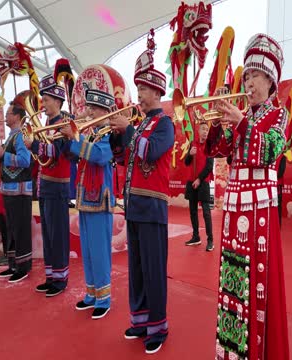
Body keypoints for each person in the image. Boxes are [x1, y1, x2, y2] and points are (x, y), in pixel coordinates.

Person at [206, 33, 289, 360]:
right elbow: (218, 151)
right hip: (234, 209)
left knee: (257, 280)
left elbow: (271, 150)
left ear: (270, 80)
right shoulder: (243, 115)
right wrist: (215, 124)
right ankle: (233, 351)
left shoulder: (277, 116)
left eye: (254, 75)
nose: (248, 82)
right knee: (234, 281)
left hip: (259, 214)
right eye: (245, 76)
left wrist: (241, 123)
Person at [109, 43, 174, 354]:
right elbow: (124, 158)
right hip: (134, 206)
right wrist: (116, 135)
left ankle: (158, 326)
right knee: (136, 267)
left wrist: (129, 129)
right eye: (137, 88)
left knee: (153, 268)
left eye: (143, 88)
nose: (139, 94)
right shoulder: (141, 123)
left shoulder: (165, 124)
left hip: (153, 206)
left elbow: (150, 150)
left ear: (156, 92)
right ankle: (141, 319)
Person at [60, 89, 116, 319]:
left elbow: (100, 156)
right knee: (89, 251)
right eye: (89, 108)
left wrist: (75, 138)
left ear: (104, 111)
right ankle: (92, 292)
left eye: (93, 109)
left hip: (100, 200)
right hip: (85, 199)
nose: (88, 112)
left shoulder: (110, 134)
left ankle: (104, 297)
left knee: (100, 251)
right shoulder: (92, 133)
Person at [24, 75, 71, 296]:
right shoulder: (47, 124)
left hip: (58, 187)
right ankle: (51, 276)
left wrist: (33, 144)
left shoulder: (62, 123)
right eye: (43, 97)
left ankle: (60, 280)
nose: (43, 102)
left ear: (58, 101)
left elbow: (56, 152)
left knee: (58, 235)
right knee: (49, 235)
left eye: (47, 98)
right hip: (45, 186)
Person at [0, 100, 33, 282]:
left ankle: (23, 266)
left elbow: (26, 161)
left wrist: (4, 156)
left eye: (9, 113)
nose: (5, 116)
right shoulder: (11, 137)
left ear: (17, 117)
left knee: (20, 230)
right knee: (11, 230)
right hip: (10, 190)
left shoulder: (20, 136)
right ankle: (13, 264)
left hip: (19, 191)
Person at [184, 121, 214, 251]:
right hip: (191, 181)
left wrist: (199, 179)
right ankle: (196, 236)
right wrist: (190, 154)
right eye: (203, 129)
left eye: (207, 129)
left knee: (206, 212)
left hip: (203, 182)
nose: (205, 131)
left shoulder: (210, 145)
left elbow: (209, 166)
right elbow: (186, 162)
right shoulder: (193, 144)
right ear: (198, 131)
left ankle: (210, 240)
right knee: (192, 211)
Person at [276, 154, 287, 225]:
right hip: (270, 184)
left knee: (278, 204)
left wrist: (272, 176)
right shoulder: (270, 155)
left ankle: (277, 224)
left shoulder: (283, 157)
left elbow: (281, 172)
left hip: (278, 184)